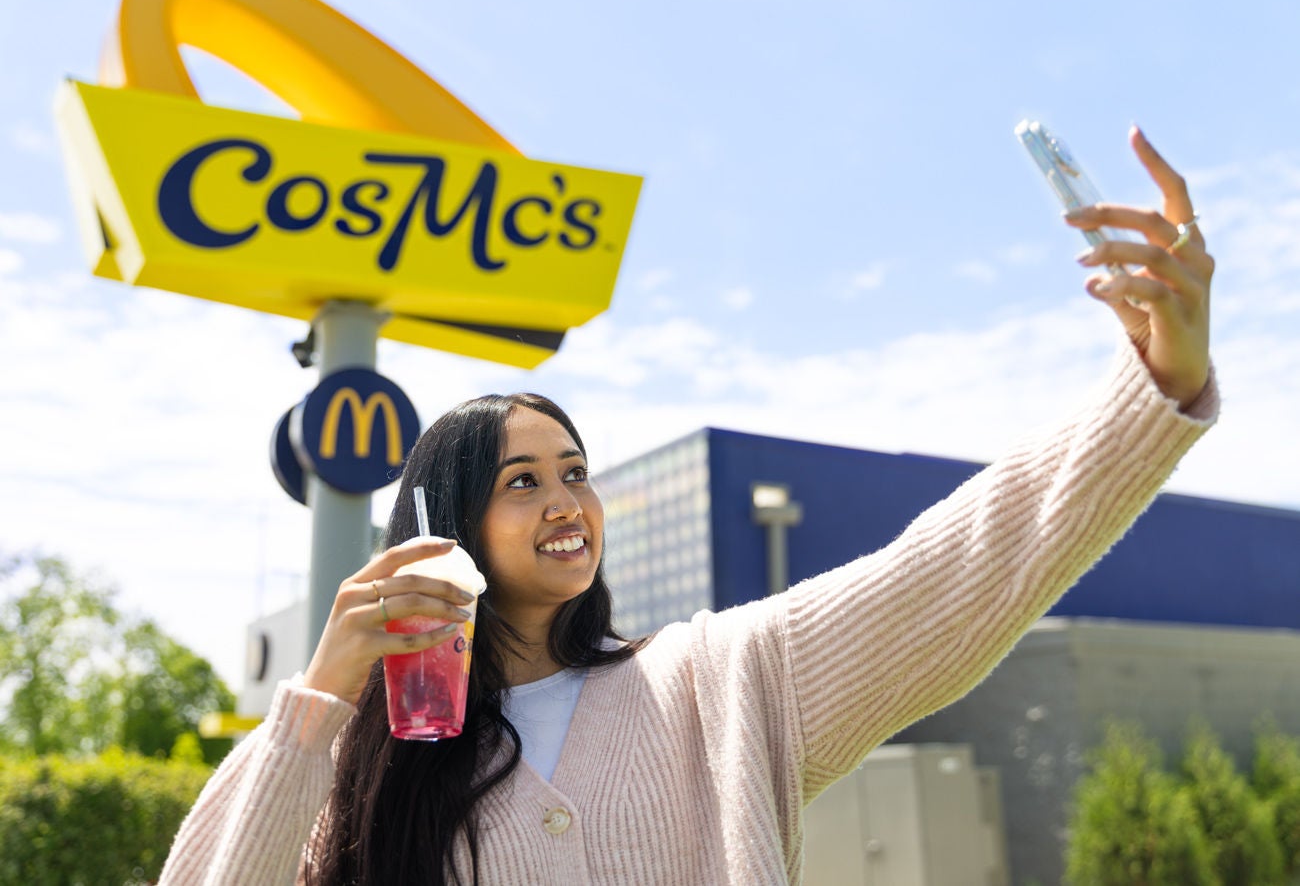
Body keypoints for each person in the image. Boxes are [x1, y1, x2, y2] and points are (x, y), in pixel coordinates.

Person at [159, 127, 1218, 885]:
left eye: (573, 471)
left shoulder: (723, 681)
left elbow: (963, 566)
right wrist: (321, 705)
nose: (565, 499)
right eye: (520, 481)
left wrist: (1150, 384)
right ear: (442, 530)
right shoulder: (357, 763)